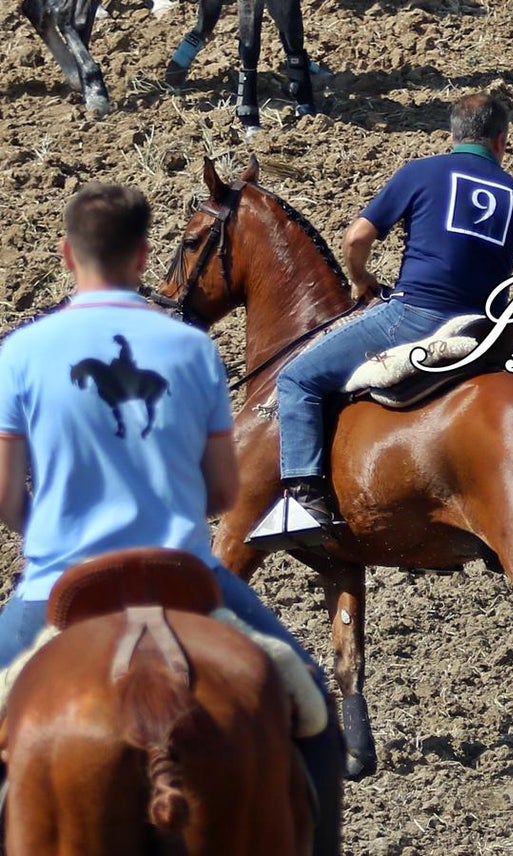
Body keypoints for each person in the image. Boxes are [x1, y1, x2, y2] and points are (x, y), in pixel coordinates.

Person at [0, 184, 343, 856]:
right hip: (190, 580)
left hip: (54, 584)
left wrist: (43, 527)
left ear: (69, 254)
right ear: (143, 256)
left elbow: (6, 496)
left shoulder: (21, 352)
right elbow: (221, 492)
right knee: (315, 713)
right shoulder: (190, 350)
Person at [255, 91, 513, 543]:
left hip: (416, 316)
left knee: (298, 378)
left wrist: (360, 278)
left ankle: (305, 501)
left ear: (453, 135)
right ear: (501, 141)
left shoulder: (422, 172)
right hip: (485, 332)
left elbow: (356, 237)